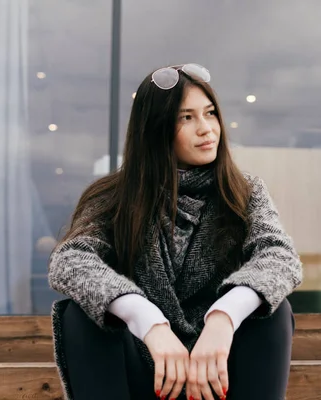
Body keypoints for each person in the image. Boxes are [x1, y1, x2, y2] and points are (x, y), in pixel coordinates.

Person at [48, 63, 303, 400]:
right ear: (156, 129)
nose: (206, 129)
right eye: (186, 118)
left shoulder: (244, 192)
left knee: (272, 309)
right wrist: (149, 321)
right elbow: (69, 261)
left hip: (218, 374)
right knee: (81, 314)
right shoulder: (114, 197)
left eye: (210, 113)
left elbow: (280, 257)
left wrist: (223, 318)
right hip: (145, 372)